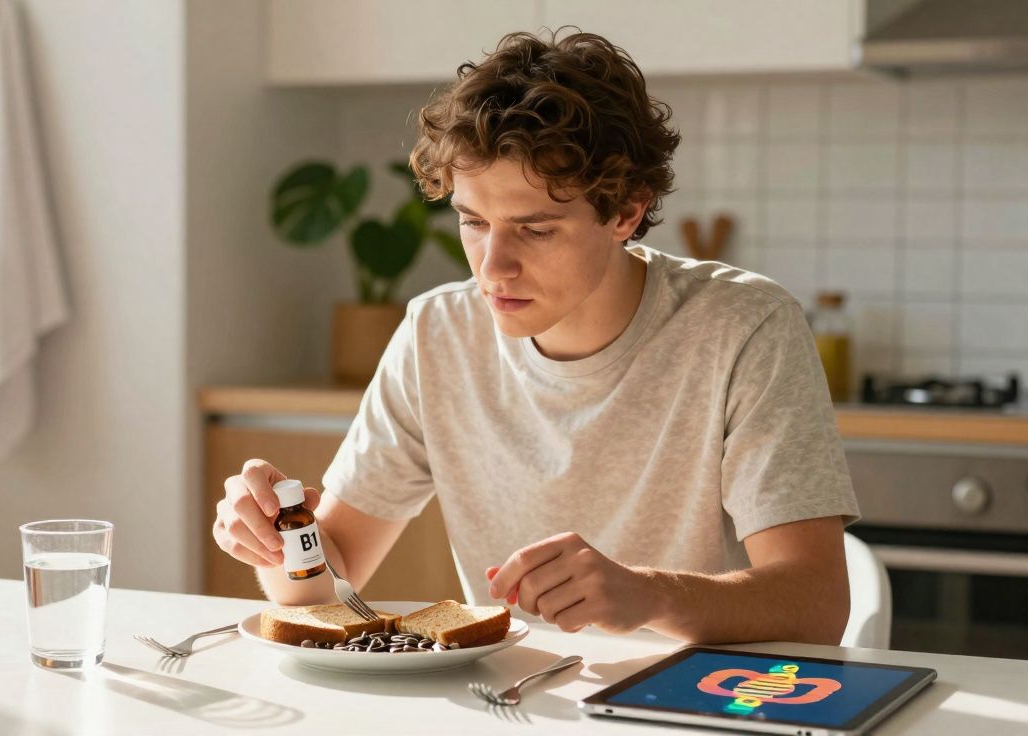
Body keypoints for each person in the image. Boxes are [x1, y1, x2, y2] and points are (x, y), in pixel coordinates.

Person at [212, 30, 859, 645]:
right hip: (517, 703)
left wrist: (649, 595)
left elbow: (815, 605)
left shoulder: (744, 326)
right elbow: (332, 578)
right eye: (473, 222)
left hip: (703, 700)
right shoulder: (439, 334)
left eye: (536, 229)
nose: (492, 266)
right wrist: (278, 542)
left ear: (626, 211)